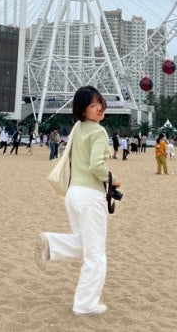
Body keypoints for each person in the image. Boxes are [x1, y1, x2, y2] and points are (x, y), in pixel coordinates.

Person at [34, 85, 119, 316]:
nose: (99, 107)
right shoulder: (98, 132)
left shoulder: (77, 129)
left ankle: (52, 243)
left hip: (73, 194)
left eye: (99, 102)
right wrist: (113, 179)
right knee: (96, 255)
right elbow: (96, 166)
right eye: (92, 105)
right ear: (83, 110)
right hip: (90, 195)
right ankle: (85, 304)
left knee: (85, 244)